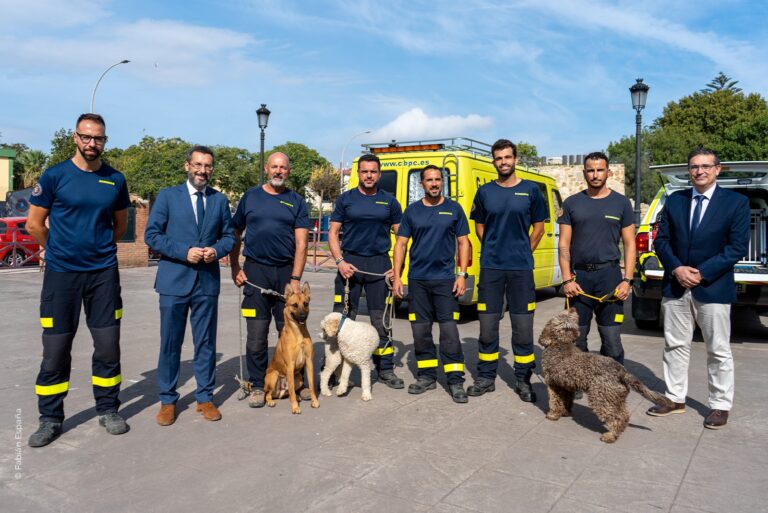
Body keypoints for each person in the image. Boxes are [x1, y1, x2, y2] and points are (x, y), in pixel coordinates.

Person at [26, 113, 130, 447]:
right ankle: (50, 418)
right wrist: (55, 250)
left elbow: (118, 225)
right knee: (56, 350)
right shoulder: (55, 176)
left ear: (104, 141)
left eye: (98, 138)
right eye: (86, 137)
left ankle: (108, 409)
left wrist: (96, 250)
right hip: (61, 277)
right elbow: (34, 225)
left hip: (103, 276)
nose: (92, 144)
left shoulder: (115, 179)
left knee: (108, 347)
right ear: (75, 137)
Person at [648, 148, 750, 429]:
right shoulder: (675, 200)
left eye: (706, 166)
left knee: (717, 349)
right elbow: (662, 240)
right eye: (694, 166)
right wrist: (677, 268)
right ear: (688, 170)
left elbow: (737, 247)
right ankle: (674, 398)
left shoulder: (736, 203)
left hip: (713, 287)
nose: (699, 171)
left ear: (718, 169)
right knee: (675, 345)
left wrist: (703, 273)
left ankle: (719, 405)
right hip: (676, 284)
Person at [144, 146, 235, 425]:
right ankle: (168, 400)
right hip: (174, 282)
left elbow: (230, 236)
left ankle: (204, 397)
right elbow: (152, 235)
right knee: (170, 343)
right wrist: (184, 252)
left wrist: (216, 251)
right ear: (187, 166)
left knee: (206, 343)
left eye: (207, 166)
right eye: (197, 165)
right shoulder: (168, 196)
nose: (202, 170)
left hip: (206, 283)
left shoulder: (220, 201)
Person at [467, 138, 548, 402]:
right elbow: (479, 226)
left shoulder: (532, 191)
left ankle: (523, 379)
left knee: (523, 328)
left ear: (515, 159)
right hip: (491, 267)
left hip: (521, 269)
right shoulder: (485, 193)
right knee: (487, 326)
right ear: (494, 161)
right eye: (499, 158)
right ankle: (486, 377)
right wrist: (492, 246)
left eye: (507, 157)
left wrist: (525, 250)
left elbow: (539, 228)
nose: (503, 162)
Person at [229, 152, 310, 408]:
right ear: (267, 169)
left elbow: (302, 243)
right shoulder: (250, 197)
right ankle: (256, 384)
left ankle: (298, 381)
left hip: (286, 275)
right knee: (256, 335)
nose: (278, 171)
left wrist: (295, 278)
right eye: (274, 167)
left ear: (289, 171)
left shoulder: (296, 201)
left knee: (292, 333)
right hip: (255, 272)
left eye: (283, 167)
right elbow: (235, 232)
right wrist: (234, 266)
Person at [392, 165, 470, 403]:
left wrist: (461, 274)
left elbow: (464, 243)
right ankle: (426, 376)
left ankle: (455, 380)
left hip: (445, 281)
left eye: (438, 180)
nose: (434, 183)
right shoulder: (412, 211)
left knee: (449, 332)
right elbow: (401, 245)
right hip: (418, 281)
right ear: (421, 184)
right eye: (430, 180)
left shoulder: (454, 209)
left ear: (442, 183)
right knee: (421, 331)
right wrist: (397, 277)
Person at [329, 153, 404, 388]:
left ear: (379, 174)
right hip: (349, 264)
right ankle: (333, 368)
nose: (369, 175)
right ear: (358, 173)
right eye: (364, 171)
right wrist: (340, 261)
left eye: (373, 171)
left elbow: (402, 238)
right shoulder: (346, 199)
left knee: (381, 321)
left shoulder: (389, 202)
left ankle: (385, 369)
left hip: (379, 265)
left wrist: (396, 271)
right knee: (342, 319)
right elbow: (332, 233)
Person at [557, 151, 635, 364]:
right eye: (590, 170)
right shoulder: (571, 203)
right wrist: (567, 279)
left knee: (611, 340)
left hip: (610, 277)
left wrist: (627, 280)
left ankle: (613, 385)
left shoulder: (621, 203)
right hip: (579, 279)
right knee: (577, 338)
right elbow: (563, 244)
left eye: (600, 170)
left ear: (608, 172)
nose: (595, 175)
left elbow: (630, 244)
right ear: (584, 173)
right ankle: (579, 382)